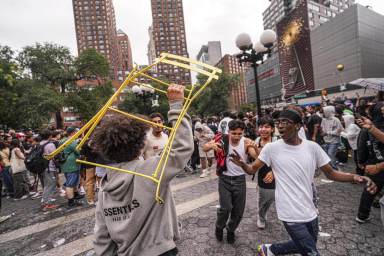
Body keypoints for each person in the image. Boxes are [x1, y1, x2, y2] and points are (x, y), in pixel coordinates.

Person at [229, 108, 376, 256]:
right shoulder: (271, 148)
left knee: (306, 245)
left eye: (285, 122)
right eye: (278, 122)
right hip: (289, 211)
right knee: (311, 252)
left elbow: (331, 173)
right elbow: (252, 169)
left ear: (298, 126)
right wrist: (242, 164)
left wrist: (355, 177)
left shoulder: (312, 147)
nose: (280, 126)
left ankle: (270, 250)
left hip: (310, 209)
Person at [93, 84, 193, 256]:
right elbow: (182, 148)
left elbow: (102, 236)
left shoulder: (104, 188)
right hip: (161, 251)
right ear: (141, 146)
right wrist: (176, 105)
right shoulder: (151, 170)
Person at [203, 120, 258, 244]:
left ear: (243, 132)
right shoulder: (222, 139)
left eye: (240, 133)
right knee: (225, 208)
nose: (237, 136)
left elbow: (255, 156)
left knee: (238, 211)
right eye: (234, 133)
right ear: (228, 132)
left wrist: (254, 147)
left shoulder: (246, 142)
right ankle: (219, 226)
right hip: (224, 179)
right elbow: (204, 148)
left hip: (240, 180)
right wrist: (211, 145)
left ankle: (231, 230)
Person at [356, 102, 384, 224]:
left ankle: (362, 215)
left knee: (370, 190)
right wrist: (371, 128)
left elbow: (361, 147)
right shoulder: (369, 128)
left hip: (374, 166)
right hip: (373, 166)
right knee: (371, 189)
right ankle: (363, 214)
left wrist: (377, 166)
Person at [254, 117, 277, 229]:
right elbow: (254, 159)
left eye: (267, 127)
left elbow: (283, 160)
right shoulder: (257, 141)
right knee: (264, 198)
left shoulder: (277, 141)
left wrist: (273, 172)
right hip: (263, 172)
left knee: (271, 197)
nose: (263, 129)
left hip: (277, 172)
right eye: (261, 126)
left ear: (272, 129)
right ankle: (261, 217)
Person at [60, 127, 83, 208]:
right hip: (72, 164)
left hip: (65, 164)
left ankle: (75, 195)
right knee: (70, 184)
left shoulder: (62, 140)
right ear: (73, 133)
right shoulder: (71, 141)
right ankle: (71, 202)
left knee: (71, 181)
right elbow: (77, 151)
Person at [39, 129, 59, 210]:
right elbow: (55, 155)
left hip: (42, 167)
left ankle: (45, 202)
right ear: (50, 136)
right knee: (50, 184)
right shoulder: (50, 145)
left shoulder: (40, 143)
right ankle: (46, 204)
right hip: (49, 167)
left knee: (47, 185)